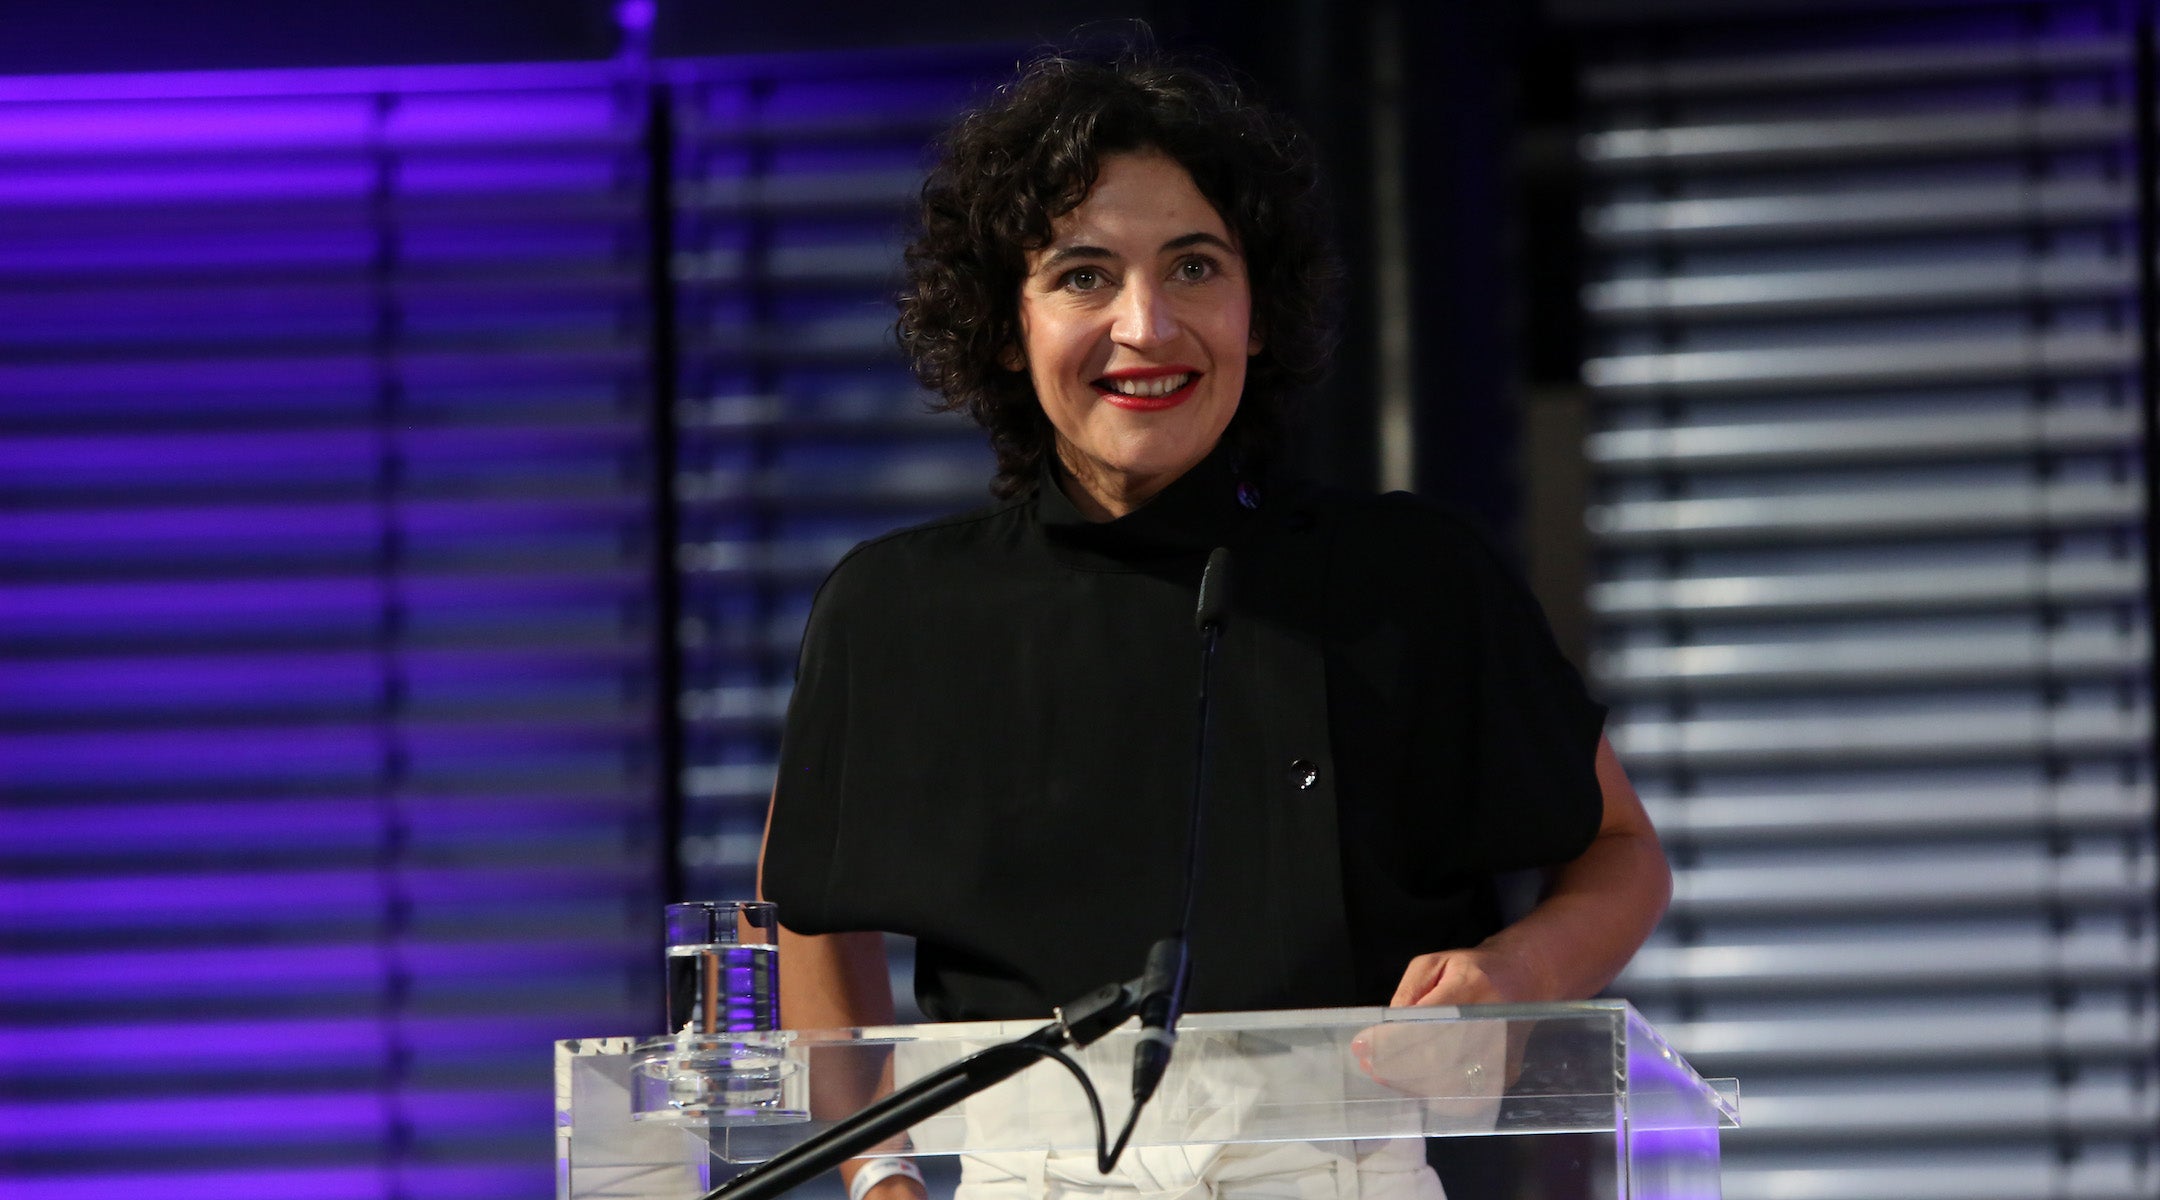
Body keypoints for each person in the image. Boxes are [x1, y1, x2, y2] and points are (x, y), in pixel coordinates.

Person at [758, 44, 1670, 1200]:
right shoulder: (895, 607)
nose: (1146, 326)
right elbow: (808, 909)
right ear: (1003, 324)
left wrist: (1516, 977)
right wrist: (878, 1176)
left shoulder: (1410, 576)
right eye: (1084, 276)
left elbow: (1622, 855)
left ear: (1259, 311)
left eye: (1194, 266)